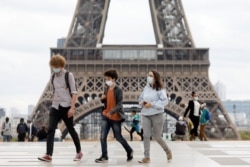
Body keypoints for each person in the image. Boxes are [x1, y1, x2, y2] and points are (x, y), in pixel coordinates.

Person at [38, 54, 82, 162]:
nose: (55, 68)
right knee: (51, 129)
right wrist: (53, 104)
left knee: (71, 129)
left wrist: (72, 108)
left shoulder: (68, 75)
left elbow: (74, 92)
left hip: (66, 106)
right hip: (55, 106)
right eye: (53, 66)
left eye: (56, 66)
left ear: (61, 65)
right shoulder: (52, 76)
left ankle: (79, 152)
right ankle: (48, 154)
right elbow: (53, 92)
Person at [95, 69, 133, 163]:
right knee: (103, 136)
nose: (106, 80)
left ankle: (129, 150)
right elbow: (105, 102)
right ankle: (104, 156)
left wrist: (111, 112)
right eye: (106, 79)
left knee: (118, 137)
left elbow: (119, 105)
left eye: (108, 79)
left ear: (114, 79)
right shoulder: (106, 88)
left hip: (115, 117)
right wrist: (102, 99)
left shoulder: (119, 90)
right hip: (105, 115)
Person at [138, 70, 172, 163]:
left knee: (157, 136)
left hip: (157, 114)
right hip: (145, 114)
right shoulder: (146, 88)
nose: (148, 77)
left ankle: (167, 150)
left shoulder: (160, 89)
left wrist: (152, 104)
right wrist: (143, 103)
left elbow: (165, 101)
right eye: (148, 75)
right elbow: (140, 99)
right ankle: (147, 157)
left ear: (156, 78)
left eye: (151, 76)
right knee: (146, 135)